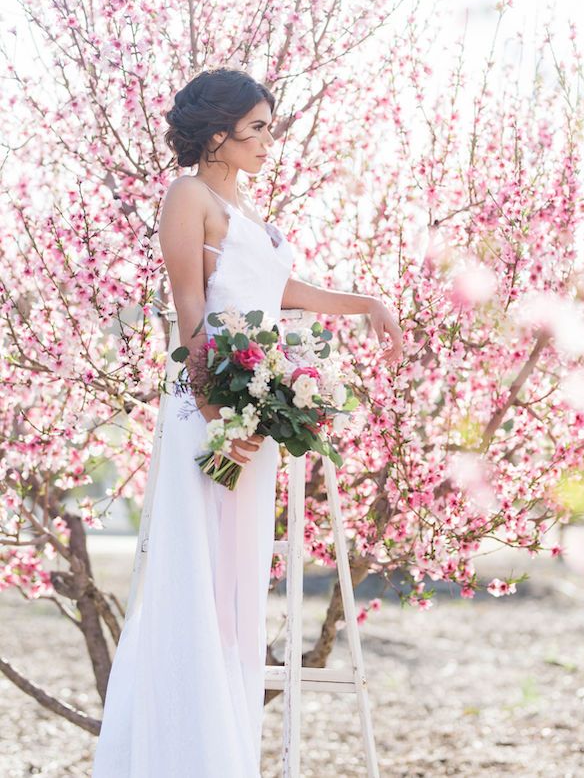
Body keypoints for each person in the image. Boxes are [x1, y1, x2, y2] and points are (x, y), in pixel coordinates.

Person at [92, 67, 403, 777]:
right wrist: (216, 410)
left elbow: (272, 290)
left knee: (238, 584)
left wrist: (365, 303)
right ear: (218, 132)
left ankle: (225, 750)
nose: (269, 140)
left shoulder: (244, 204)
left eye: (270, 126)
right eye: (257, 128)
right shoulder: (188, 195)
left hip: (255, 412)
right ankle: (182, 755)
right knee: (196, 574)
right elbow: (190, 307)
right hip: (211, 407)